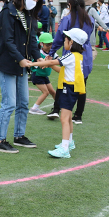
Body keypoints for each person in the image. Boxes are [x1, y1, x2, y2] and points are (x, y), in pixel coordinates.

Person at [0, 0, 43, 153]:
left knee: (23, 102)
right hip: (7, 63)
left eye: (37, 0)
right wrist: (20, 59)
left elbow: (32, 40)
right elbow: (7, 40)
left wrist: (38, 56)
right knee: (9, 103)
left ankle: (19, 136)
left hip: (22, 65)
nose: (35, 2)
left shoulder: (28, 14)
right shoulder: (7, 11)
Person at [36, 28, 88, 158]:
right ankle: (69, 142)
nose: (64, 41)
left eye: (66, 39)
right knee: (68, 117)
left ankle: (65, 149)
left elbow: (54, 62)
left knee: (64, 119)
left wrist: (33, 63)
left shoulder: (70, 56)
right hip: (72, 89)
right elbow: (60, 69)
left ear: (71, 42)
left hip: (68, 89)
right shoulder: (76, 56)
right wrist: (47, 64)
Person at [46, 0, 97, 124]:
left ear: (69, 5)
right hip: (85, 54)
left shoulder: (67, 19)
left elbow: (59, 37)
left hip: (71, 52)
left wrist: (51, 52)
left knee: (63, 81)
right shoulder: (90, 19)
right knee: (82, 84)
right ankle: (78, 115)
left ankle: (56, 109)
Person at [28, 32, 58, 115]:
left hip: (44, 76)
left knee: (53, 92)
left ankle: (58, 106)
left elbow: (58, 59)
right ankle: (34, 108)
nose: (50, 46)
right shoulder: (38, 54)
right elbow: (39, 65)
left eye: (51, 44)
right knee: (46, 92)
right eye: (47, 45)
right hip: (37, 76)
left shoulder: (52, 53)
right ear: (41, 44)